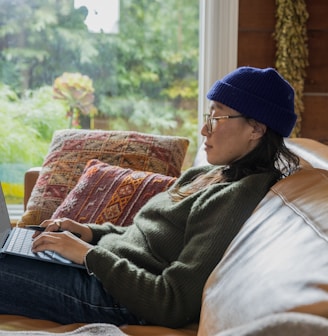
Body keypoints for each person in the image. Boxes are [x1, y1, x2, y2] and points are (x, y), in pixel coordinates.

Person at [0, 66, 299, 328]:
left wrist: (88, 254)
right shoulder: (205, 175)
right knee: (13, 243)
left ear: (256, 129)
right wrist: (88, 233)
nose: (204, 128)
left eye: (218, 117)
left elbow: (172, 303)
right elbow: (143, 239)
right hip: (102, 271)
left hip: (117, 299)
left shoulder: (238, 197)